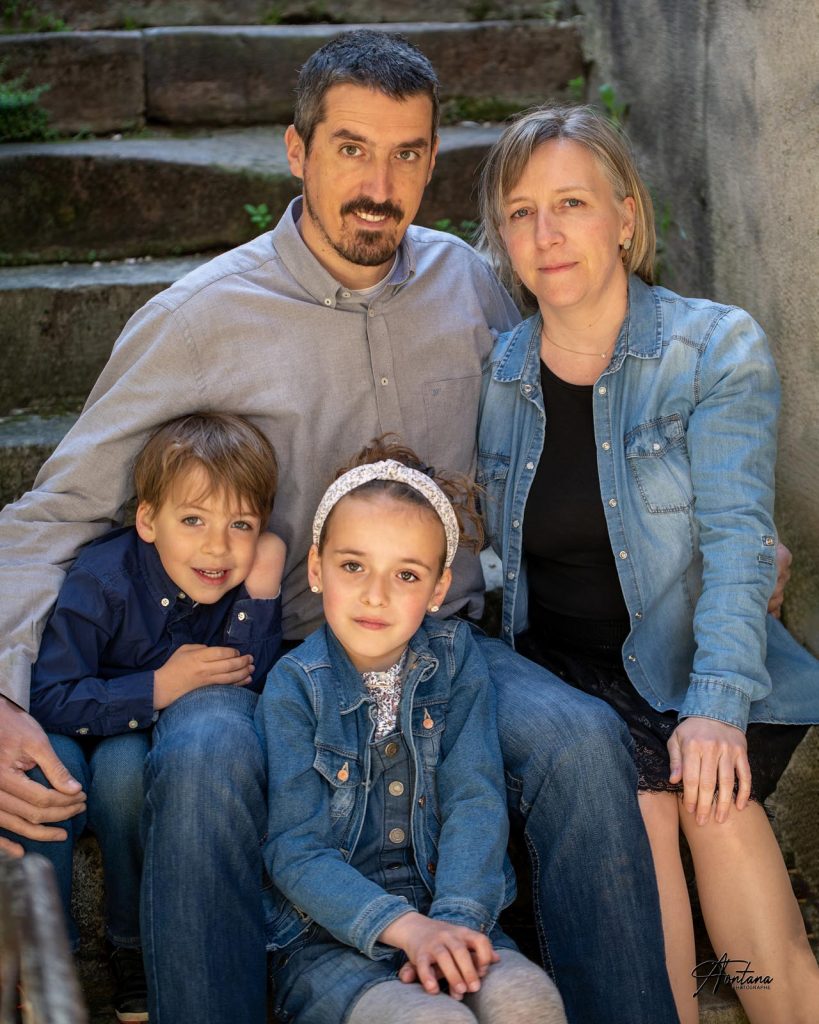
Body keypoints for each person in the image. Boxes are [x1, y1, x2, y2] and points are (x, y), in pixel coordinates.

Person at [1, 28, 785, 1024]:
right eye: (352, 149)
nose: (382, 184)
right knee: (198, 757)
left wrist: (728, 529)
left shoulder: (469, 282)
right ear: (296, 151)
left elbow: (583, 408)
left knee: (585, 740)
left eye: (408, 153)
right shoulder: (200, 318)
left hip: (448, 637)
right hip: (266, 650)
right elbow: (57, 510)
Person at [476, 103, 819, 1024]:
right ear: (501, 236)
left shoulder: (712, 348)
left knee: (710, 793)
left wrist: (714, 708)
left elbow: (742, 544)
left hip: (684, 660)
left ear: (625, 216)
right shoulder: (500, 370)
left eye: (572, 204)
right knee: (643, 800)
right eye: (520, 212)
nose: (546, 236)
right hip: (564, 679)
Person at [258, 437, 566, 1024]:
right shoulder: (295, 687)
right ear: (316, 569)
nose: (376, 594)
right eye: (354, 566)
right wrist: (408, 931)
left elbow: (475, 799)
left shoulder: (455, 663)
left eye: (406, 574)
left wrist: (452, 921)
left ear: (439, 591)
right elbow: (294, 850)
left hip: (453, 911)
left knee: (529, 1003)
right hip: (329, 940)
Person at [1, 412, 285, 1021]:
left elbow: (248, 681)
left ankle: (131, 946)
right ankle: (41, 959)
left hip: (138, 740)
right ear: (147, 519)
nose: (217, 545)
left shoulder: (234, 578)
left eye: (242, 525)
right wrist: (155, 688)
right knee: (44, 780)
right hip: (73, 722)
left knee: (130, 776)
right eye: (193, 520)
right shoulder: (102, 580)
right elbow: (51, 694)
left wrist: (261, 594)